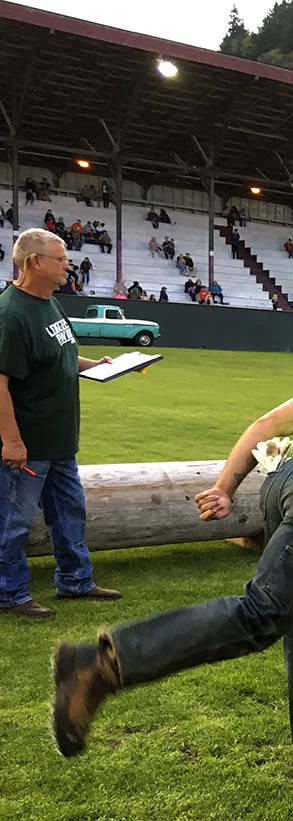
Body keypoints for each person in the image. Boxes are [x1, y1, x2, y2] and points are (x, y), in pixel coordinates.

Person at [50, 315, 293, 769]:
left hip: (284, 483)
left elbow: (265, 424)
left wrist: (225, 486)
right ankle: (102, 665)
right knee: (263, 613)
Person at [0, 229, 122, 618]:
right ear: (35, 262)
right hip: (29, 445)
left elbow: (62, 355)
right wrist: (11, 442)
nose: (68, 265)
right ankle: (9, 592)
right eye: (61, 258)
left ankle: (75, 580)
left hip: (60, 441)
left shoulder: (49, 303)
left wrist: (97, 365)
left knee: (70, 514)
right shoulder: (12, 314)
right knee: (12, 524)